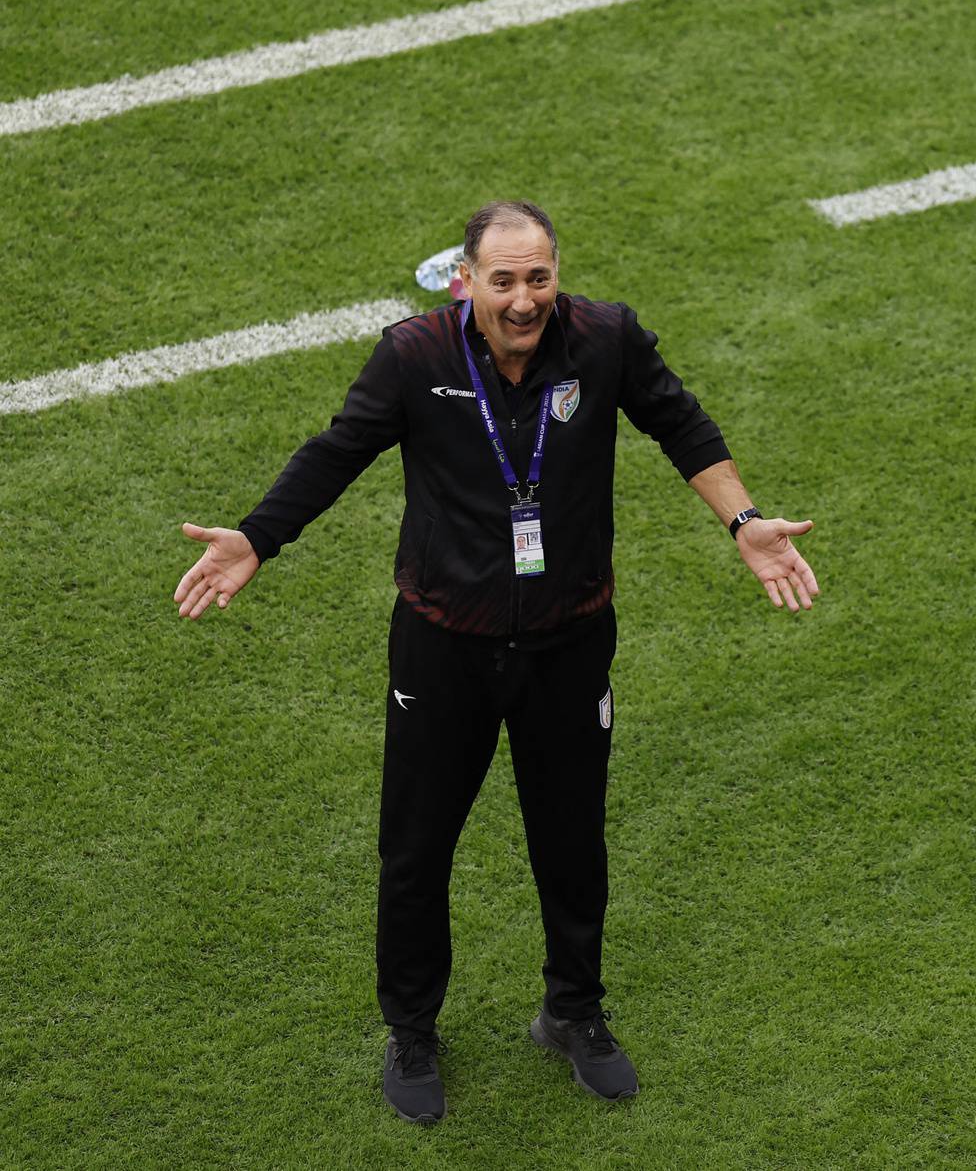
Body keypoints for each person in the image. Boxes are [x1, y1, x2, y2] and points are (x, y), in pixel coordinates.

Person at [171, 200, 818, 1125]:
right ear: (463, 278)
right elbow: (339, 450)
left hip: (570, 640)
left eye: (539, 278)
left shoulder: (604, 340)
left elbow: (681, 422)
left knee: (572, 840)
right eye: (504, 280)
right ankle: (413, 1029)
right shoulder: (417, 356)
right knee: (417, 846)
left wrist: (747, 525)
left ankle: (573, 1012)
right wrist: (258, 539)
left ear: (558, 275)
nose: (523, 300)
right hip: (443, 645)